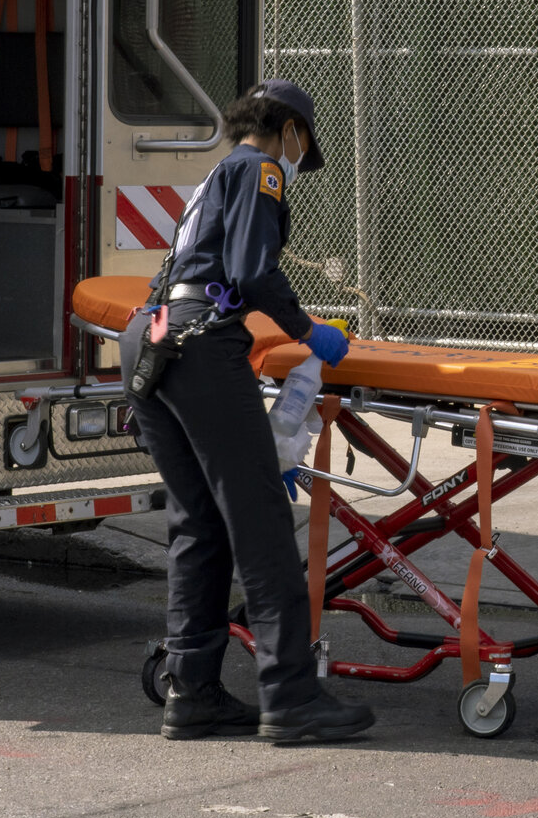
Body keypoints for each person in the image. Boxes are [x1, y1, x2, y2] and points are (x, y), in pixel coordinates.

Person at [133, 79, 376, 745]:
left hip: (152, 341)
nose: (300, 156)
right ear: (290, 129)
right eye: (303, 141)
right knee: (262, 521)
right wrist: (306, 328)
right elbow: (247, 269)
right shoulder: (261, 171)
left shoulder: (216, 175)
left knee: (200, 523)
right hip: (200, 348)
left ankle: (193, 692)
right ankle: (292, 696)